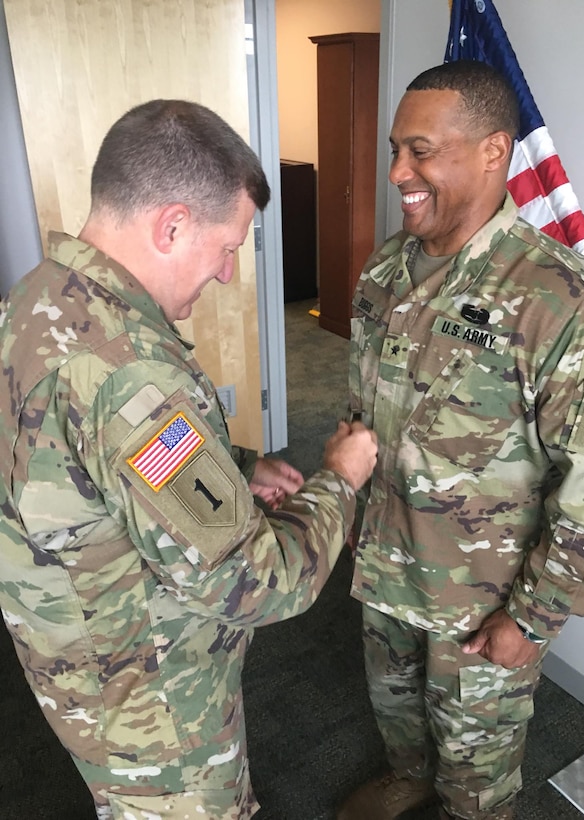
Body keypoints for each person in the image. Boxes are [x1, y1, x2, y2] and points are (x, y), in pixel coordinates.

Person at [0, 99, 378, 820]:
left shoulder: (36, 299)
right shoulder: (128, 373)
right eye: (227, 246)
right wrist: (341, 480)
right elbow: (259, 584)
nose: (228, 274)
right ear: (172, 224)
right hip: (151, 709)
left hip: (74, 662)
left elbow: (78, 452)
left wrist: (234, 462)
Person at [337, 60, 584, 820]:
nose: (398, 172)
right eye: (396, 148)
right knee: (394, 707)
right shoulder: (390, 266)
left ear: (494, 151)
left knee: (478, 761)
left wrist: (533, 618)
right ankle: (406, 774)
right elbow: (364, 403)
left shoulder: (566, 301)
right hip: (385, 559)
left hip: (483, 595)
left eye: (419, 150)